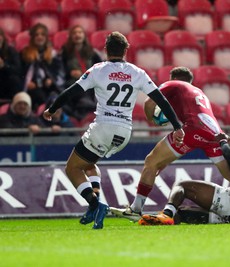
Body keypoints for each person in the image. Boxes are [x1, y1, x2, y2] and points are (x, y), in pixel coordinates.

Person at [43, 32, 184, 229]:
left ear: (105, 50)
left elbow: (71, 91)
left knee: (73, 168)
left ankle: (96, 204)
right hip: (125, 132)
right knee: (89, 164)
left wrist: (52, 109)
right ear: (126, 50)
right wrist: (177, 126)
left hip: (103, 127)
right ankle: (95, 202)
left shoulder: (98, 70)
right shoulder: (138, 73)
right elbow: (162, 100)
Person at [110, 66, 230, 222]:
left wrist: (152, 120)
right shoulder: (199, 92)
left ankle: (136, 209)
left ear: (173, 78)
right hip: (214, 135)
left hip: (192, 130)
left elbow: (148, 103)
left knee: (151, 161)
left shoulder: (173, 84)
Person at [60, 25, 103, 120]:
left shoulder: (92, 52)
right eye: (74, 33)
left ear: (84, 36)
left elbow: (100, 68)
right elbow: (60, 69)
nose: (77, 35)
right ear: (71, 36)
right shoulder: (65, 52)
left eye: (80, 32)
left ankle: (85, 105)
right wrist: (70, 73)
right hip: (71, 81)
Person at [21, 23, 65, 112]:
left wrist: (51, 80)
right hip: (32, 89)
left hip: (49, 88)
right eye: (36, 35)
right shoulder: (25, 53)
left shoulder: (53, 55)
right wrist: (27, 83)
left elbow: (59, 72)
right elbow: (21, 72)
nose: (39, 37)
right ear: (32, 38)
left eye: (42, 34)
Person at [0, 27, 23, 103]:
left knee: (15, 80)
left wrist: (4, 65)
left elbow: (18, 70)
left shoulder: (11, 51)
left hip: (8, 83)